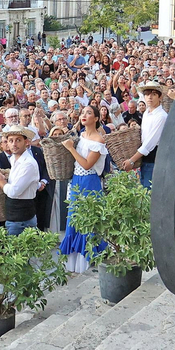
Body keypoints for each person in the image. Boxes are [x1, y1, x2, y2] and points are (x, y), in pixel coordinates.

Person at [59, 107, 109, 273]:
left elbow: (87, 164)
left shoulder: (98, 140)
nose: (84, 116)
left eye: (89, 113)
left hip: (89, 181)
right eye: (83, 113)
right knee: (74, 217)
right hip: (77, 180)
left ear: (96, 118)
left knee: (87, 218)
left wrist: (71, 149)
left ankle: (89, 259)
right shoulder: (81, 134)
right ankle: (74, 261)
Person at [0, 125, 42, 234]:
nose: (14, 144)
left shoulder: (28, 163)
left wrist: (0, 180)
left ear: (26, 142)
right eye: (11, 141)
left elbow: (13, 192)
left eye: (18, 140)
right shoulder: (14, 159)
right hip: (15, 217)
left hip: (21, 219)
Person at [121, 83, 167, 188]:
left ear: (160, 96)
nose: (150, 97)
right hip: (144, 159)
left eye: (154, 94)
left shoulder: (162, 116)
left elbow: (150, 143)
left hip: (155, 159)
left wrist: (132, 160)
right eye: (147, 94)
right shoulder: (146, 113)